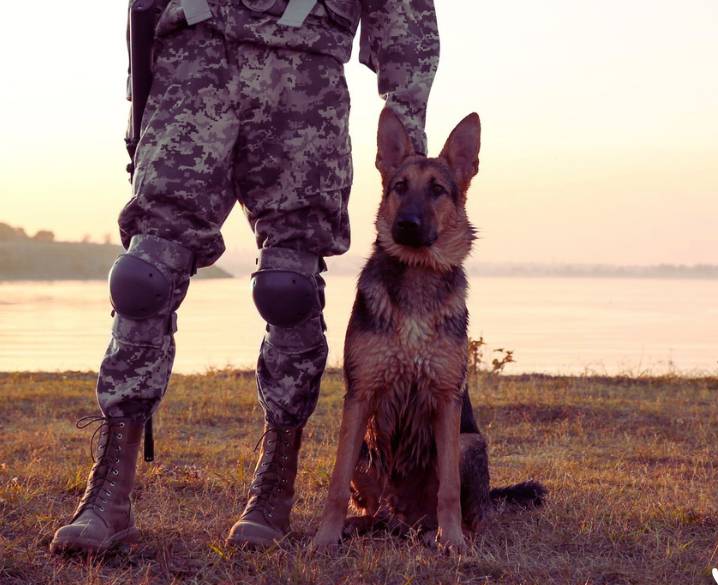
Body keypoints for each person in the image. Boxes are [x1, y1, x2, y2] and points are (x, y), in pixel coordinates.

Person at [50, 0, 439, 553]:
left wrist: (409, 137)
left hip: (304, 77)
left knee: (289, 287)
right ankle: (110, 493)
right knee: (142, 277)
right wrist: (138, 106)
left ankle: (274, 487)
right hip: (192, 63)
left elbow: (404, 16)